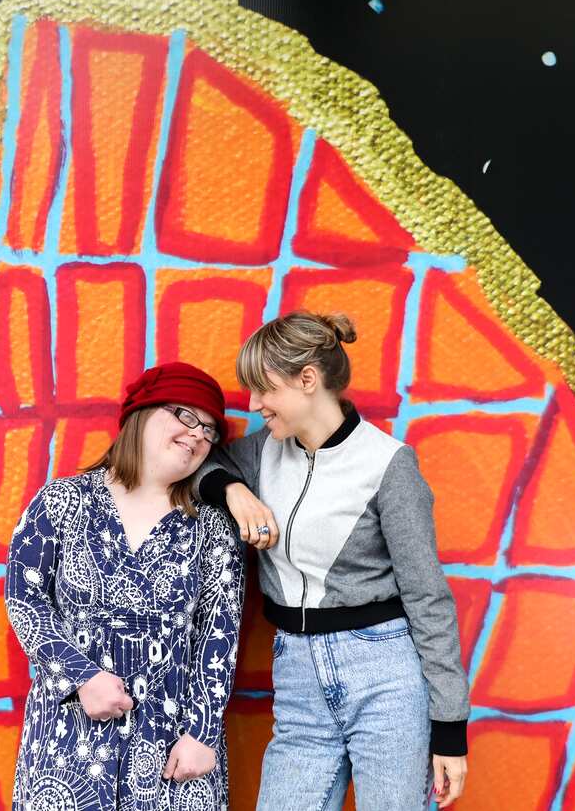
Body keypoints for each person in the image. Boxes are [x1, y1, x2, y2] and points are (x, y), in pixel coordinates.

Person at [195, 311, 470, 811]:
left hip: (384, 672)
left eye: (264, 390)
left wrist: (450, 727)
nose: (254, 405)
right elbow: (198, 466)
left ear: (307, 380)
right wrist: (233, 490)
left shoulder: (388, 463)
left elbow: (427, 595)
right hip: (297, 671)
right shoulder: (260, 453)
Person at [5, 362, 245, 811]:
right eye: (184, 415)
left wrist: (203, 733)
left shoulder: (212, 528)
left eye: (210, 429)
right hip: (66, 743)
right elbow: (25, 600)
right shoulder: (62, 502)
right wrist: (82, 678)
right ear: (141, 413)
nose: (197, 434)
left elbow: (220, 634)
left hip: (175, 754)